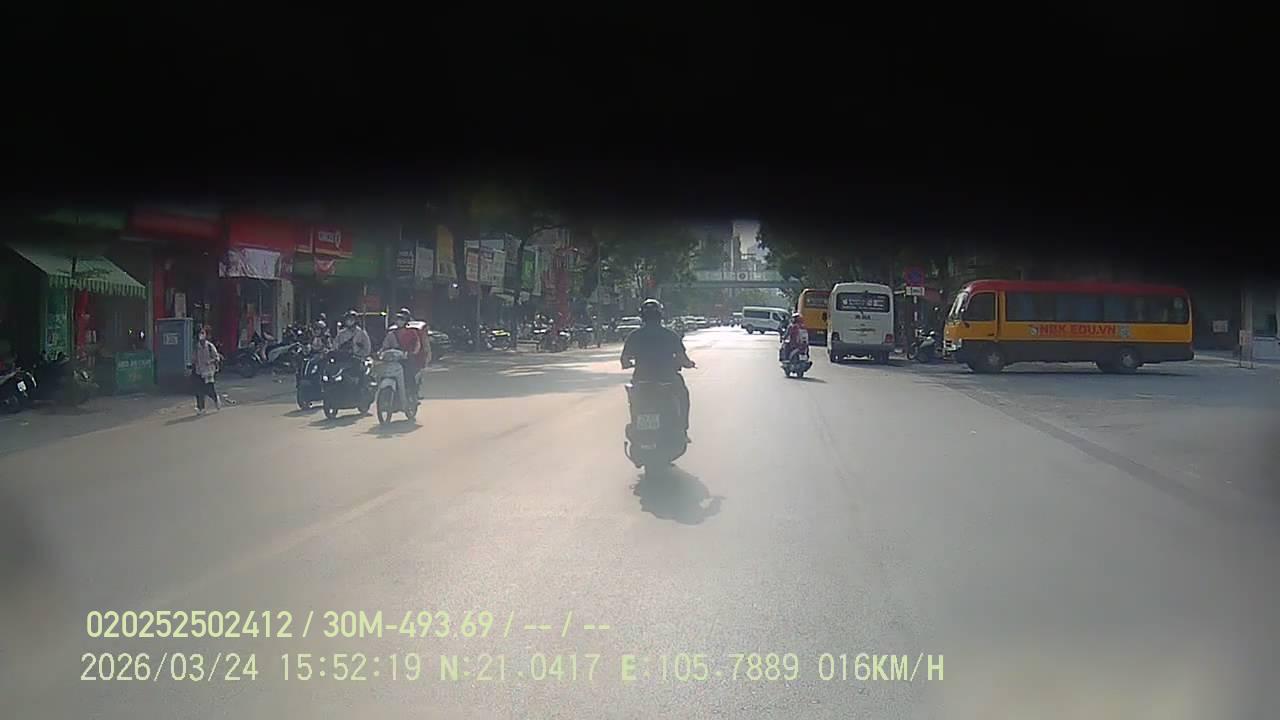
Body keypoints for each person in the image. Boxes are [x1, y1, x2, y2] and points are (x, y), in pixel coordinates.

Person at [620, 299, 695, 442]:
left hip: (641, 380)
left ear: (642, 316)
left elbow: (624, 361)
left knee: (634, 401)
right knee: (683, 396)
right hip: (667, 379)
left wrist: (630, 364)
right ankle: (683, 430)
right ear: (661, 315)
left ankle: (635, 424)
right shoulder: (670, 335)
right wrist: (689, 364)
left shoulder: (634, 335)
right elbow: (682, 359)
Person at [380, 307, 423, 406]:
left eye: (402, 319)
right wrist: (381, 352)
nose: (399, 322)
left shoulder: (411, 332)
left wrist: (412, 353)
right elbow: (385, 346)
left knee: (408, 375)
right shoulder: (391, 334)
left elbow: (417, 345)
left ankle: (412, 395)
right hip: (394, 359)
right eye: (398, 319)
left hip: (407, 359)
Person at [192, 325, 221, 415]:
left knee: (209, 389)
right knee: (199, 390)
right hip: (199, 371)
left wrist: (210, 361)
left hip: (208, 372)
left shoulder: (209, 346)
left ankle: (215, 399)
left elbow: (217, 358)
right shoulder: (196, 347)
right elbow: (194, 358)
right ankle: (201, 408)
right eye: (199, 334)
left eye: (202, 333)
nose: (201, 336)